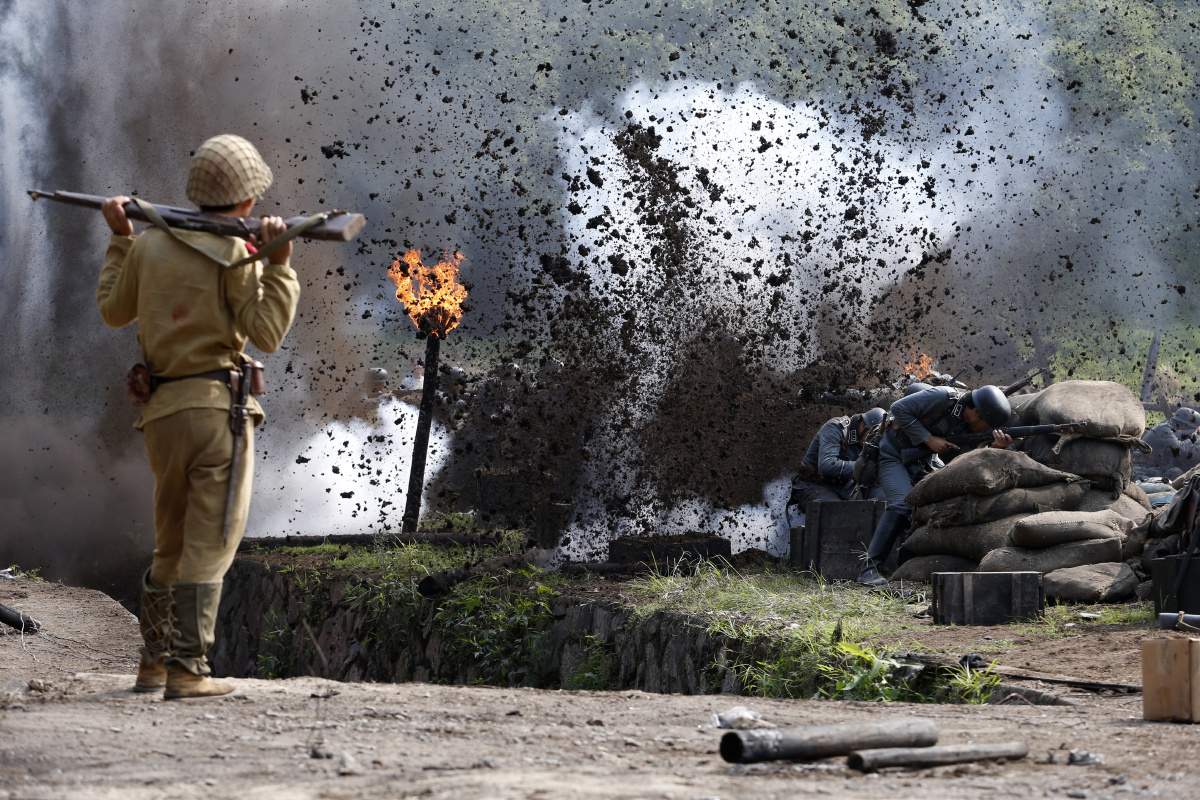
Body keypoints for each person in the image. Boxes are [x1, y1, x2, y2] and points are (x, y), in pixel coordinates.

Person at [96, 135, 300, 699]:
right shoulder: (239, 254)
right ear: (246, 200)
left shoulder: (148, 246)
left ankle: (153, 665)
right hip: (217, 416)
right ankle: (188, 670)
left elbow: (112, 310)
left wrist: (120, 240)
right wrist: (278, 266)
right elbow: (267, 333)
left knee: (170, 543)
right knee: (211, 543)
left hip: (161, 416)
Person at [858, 385, 1012, 586]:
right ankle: (868, 569)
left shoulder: (966, 422)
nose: (987, 430)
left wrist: (993, 448)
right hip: (893, 454)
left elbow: (969, 457)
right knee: (902, 504)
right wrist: (929, 439)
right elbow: (898, 408)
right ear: (976, 412)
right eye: (987, 425)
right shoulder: (943, 397)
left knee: (945, 501)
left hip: (924, 460)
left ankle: (907, 566)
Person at [789, 408, 886, 526]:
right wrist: (863, 469)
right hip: (815, 485)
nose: (872, 441)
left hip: (845, 487)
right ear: (864, 425)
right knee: (840, 514)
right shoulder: (836, 428)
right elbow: (826, 464)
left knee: (884, 496)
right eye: (871, 435)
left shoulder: (869, 441)